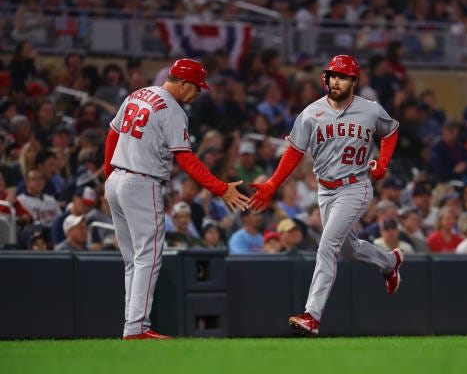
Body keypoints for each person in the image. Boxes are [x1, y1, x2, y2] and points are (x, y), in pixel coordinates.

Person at [249, 55, 403, 335]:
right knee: (347, 249)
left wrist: (383, 162)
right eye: (332, 75)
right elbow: (294, 152)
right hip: (325, 190)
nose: (336, 80)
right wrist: (272, 184)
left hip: (356, 185)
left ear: (354, 81)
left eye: (343, 76)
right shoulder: (310, 113)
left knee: (327, 245)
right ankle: (389, 262)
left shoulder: (370, 110)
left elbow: (391, 131)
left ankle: (312, 315)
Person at [104, 59, 249, 340]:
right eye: (196, 87)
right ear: (183, 83)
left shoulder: (138, 94)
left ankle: (131, 326)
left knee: (133, 260)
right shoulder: (172, 110)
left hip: (117, 181)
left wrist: (109, 176)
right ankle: (137, 328)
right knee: (148, 256)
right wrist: (220, 187)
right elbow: (186, 158)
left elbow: (113, 134)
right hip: (141, 182)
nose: (198, 93)